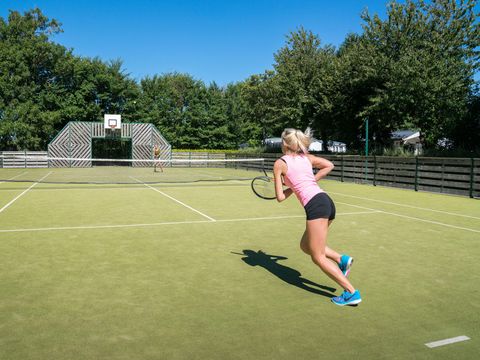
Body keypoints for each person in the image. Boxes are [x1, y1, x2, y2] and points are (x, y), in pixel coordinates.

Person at [273, 128, 361, 306]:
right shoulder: (307, 158)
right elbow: (329, 165)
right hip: (326, 202)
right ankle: (341, 259)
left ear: (284, 144)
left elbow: (280, 197)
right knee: (305, 245)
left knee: (317, 256)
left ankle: (351, 292)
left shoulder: (279, 163)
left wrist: (293, 186)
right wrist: (307, 181)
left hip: (316, 206)